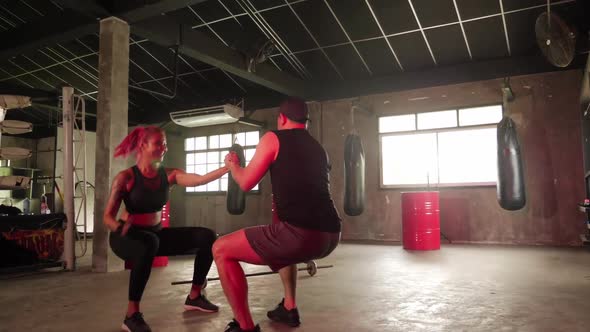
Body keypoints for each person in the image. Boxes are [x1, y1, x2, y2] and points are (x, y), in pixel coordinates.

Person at [213, 98, 342, 332]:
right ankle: (289, 308)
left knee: (221, 249)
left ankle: (245, 327)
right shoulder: (318, 148)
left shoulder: (273, 138)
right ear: (306, 121)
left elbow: (245, 183)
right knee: (281, 233)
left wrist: (233, 165)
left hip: (301, 235)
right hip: (331, 235)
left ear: (281, 118)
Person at [104, 126, 227, 332]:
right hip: (126, 237)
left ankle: (195, 296)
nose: (164, 148)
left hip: (155, 235)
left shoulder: (169, 175)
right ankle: (131, 315)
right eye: (159, 143)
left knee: (206, 236)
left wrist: (226, 169)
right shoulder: (126, 178)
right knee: (149, 242)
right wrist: (119, 227)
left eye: (165, 144)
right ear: (143, 145)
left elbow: (199, 179)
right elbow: (107, 217)